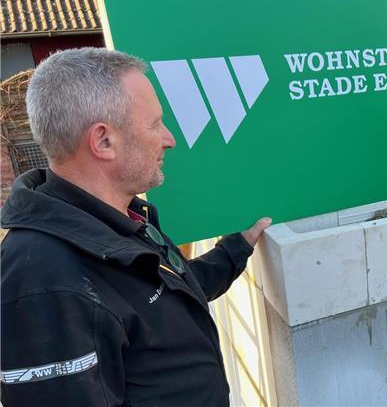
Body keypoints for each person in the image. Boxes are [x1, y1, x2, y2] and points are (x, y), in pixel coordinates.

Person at [0, 48, 271, 406]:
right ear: (103, 141)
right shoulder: (43, 281)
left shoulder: (116, 219)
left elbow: (164, 301)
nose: (169, 138)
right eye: (155, 124)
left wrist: (236, 249)